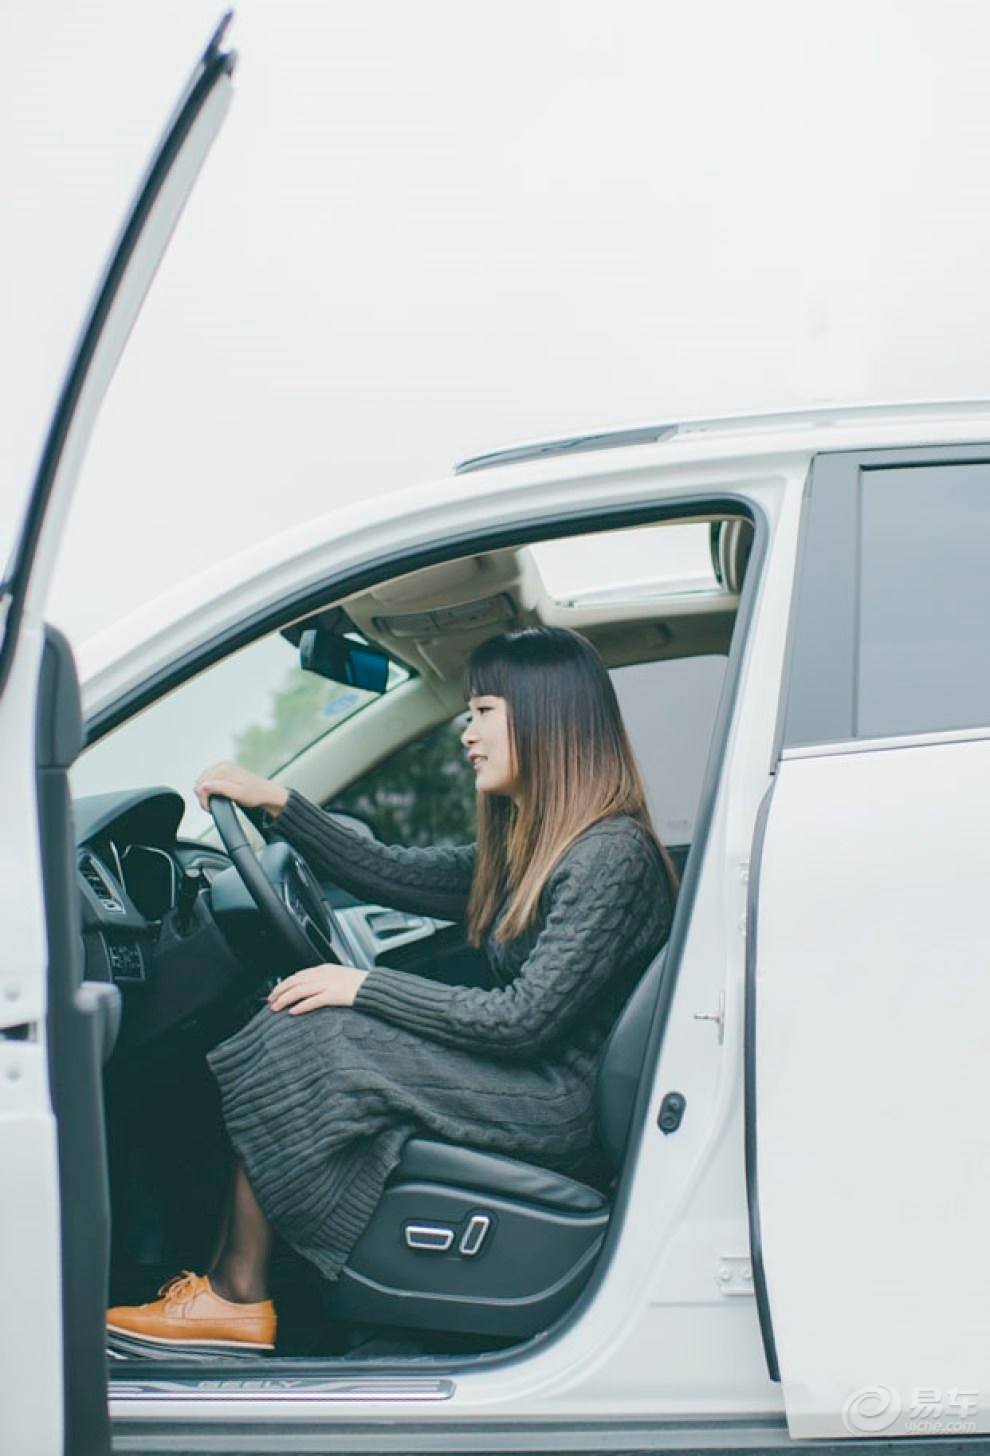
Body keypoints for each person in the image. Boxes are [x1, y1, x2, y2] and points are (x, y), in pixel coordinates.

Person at [106, 626, 676, 1353]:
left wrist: (361, 988)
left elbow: (524, 1021)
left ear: (548, 718)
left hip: (559, 1101)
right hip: (536, 1078)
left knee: (317, 1028)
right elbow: (394, 873)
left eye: (484, 712)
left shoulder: (609, 855)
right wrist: (278, 801)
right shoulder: (538, 845)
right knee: (301, 1017)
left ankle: (238, 1292)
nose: (467, 733)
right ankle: (232, 1289)